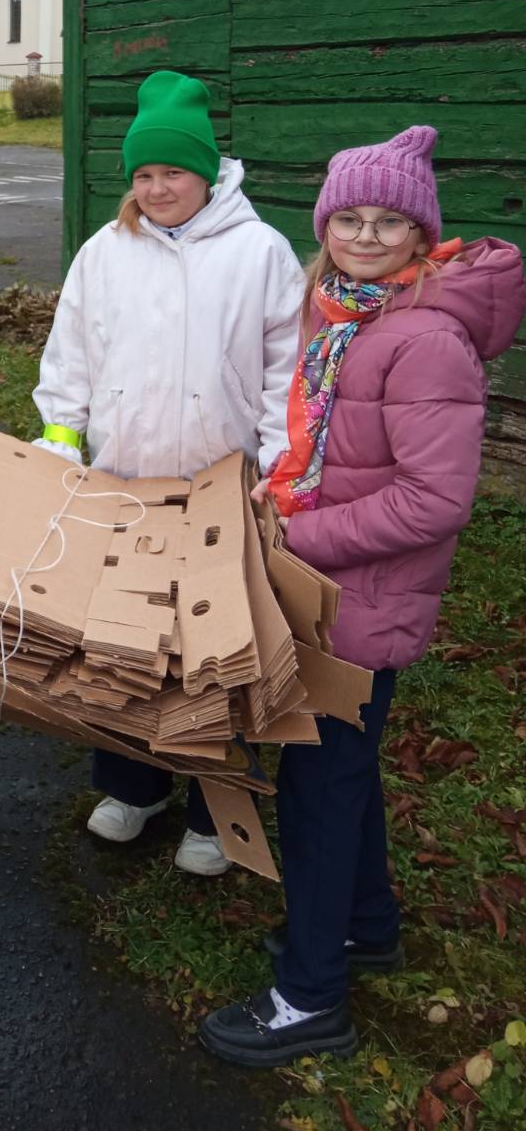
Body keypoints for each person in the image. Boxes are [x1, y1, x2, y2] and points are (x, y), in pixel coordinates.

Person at [200, 126, 526, 1066]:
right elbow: (328, 446)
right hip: (333, 585)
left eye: (390, 221)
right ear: (326, 222)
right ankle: (365, 925)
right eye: (351, 216)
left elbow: (433, 500)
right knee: (342, 770)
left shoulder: (423, 339)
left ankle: (309, 999)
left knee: (317, 784)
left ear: (423, 235)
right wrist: (282, 489)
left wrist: (296, 537)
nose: (367, 234)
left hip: (362, 601)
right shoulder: (345, 316)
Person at [33, 69, 304, 875]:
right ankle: (132, 785)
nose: (157, 188)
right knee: (123, 641)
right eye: (143, 175)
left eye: (172, 172)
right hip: (124, 480)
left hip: (221, 485)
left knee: (213, 649)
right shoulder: (105, 251)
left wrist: (278, 469)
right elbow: (72, 354)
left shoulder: (259, 253)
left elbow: (282, 371)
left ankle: (213, 809)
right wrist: (59, 435)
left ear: (207, 171)